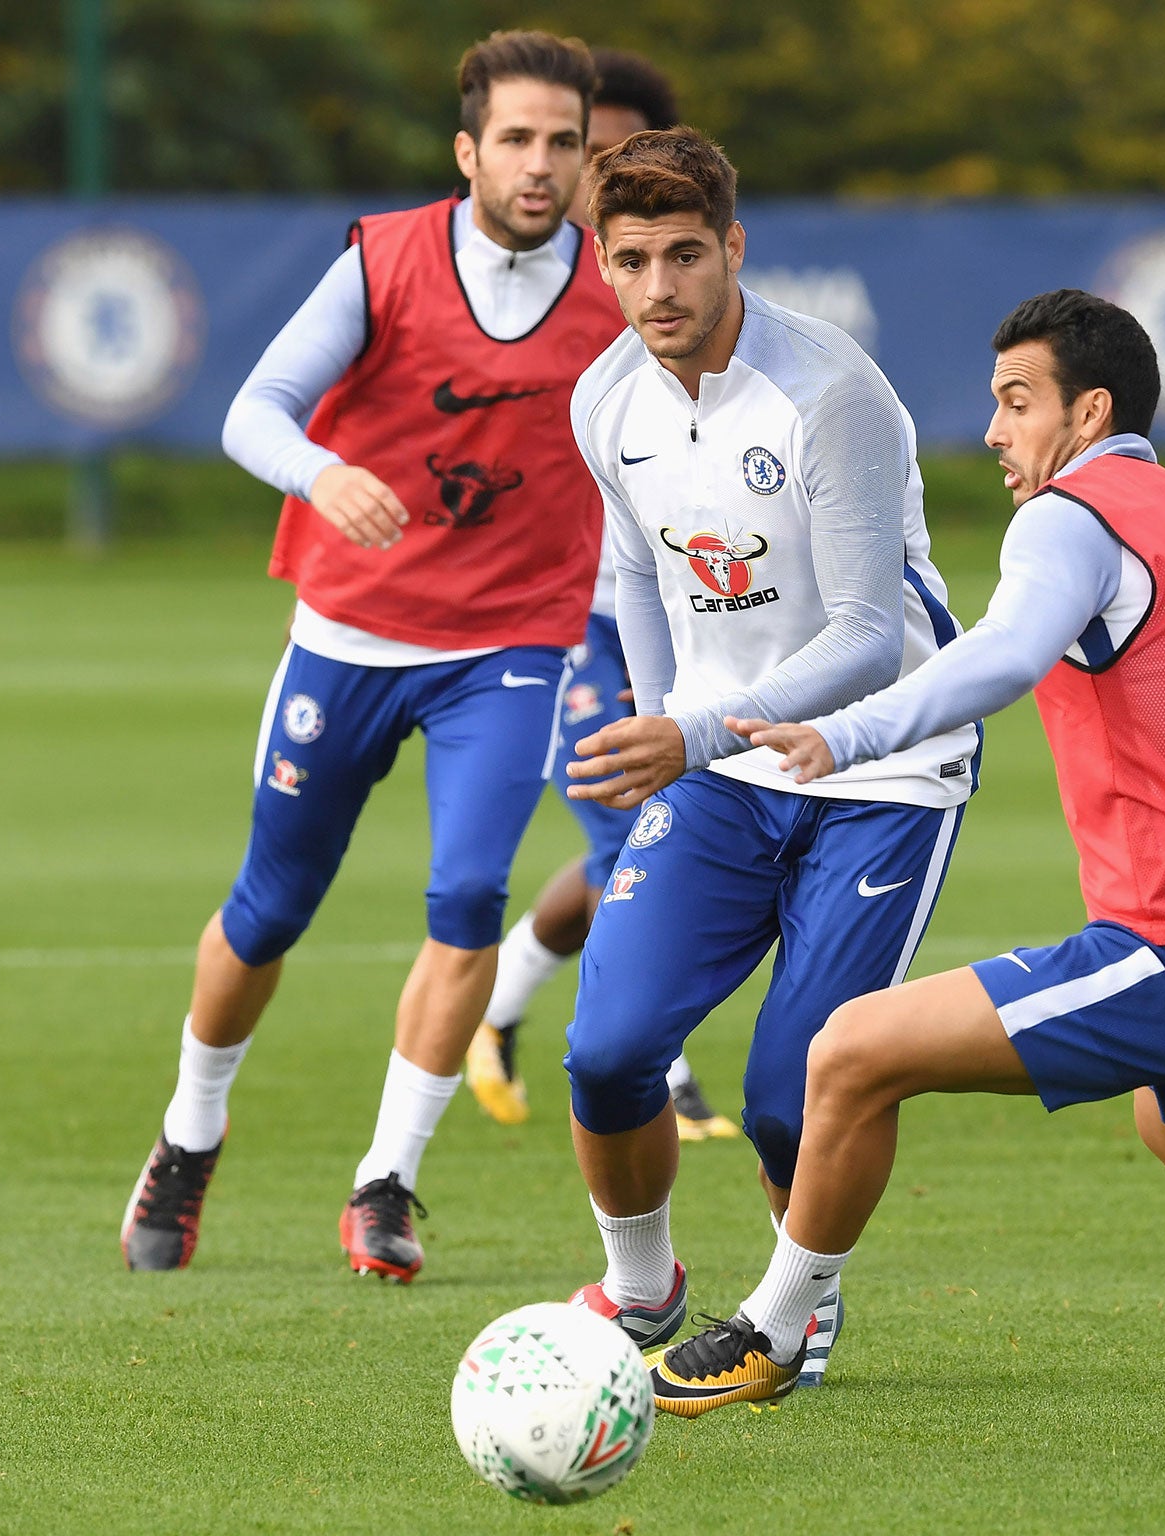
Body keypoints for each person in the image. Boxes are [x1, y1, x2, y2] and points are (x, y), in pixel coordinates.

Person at [644, 289, 1165, 1443]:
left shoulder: (1071, 518)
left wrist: (844, 732)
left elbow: (1007, 654)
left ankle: (772, 1333)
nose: (993, 432)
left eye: (1016, 403)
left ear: (1089, 411)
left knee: (852, 1049)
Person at [120, 30, 617, 1283]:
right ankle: (188, 1138)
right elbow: (252, 411)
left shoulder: (619, 286)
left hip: (505, 646)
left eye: (564, 140)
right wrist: (325, 473)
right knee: (268, 911)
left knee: (465, 904)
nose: (541, 163)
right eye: (516, 139)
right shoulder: (384, 257)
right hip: (345, 637)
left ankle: (385, 1183)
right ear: (468, 151)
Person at [560, 128, 980, 1392]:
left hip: (880, 769)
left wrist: (685, 731)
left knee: (795, 1094)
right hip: (721, 776)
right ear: (601, 263)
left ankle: (792, 1309)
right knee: (605, 1050)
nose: (658, 290)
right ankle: (640, 1290)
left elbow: (863, 636)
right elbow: (634, 571)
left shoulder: (830, 394)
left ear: (733, 248)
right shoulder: (604, 400)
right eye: (629, 261)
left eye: (685, 255)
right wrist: (663, 732)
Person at [467, 48, 737, 1143]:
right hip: (566, 620)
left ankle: (498, 1006)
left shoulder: (681, 300)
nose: (584, 174)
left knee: (624, 845)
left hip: (698, 620)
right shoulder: (532, 296)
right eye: (582, 152)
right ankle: (657, 1073)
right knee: (636, 835)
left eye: (604, 151)